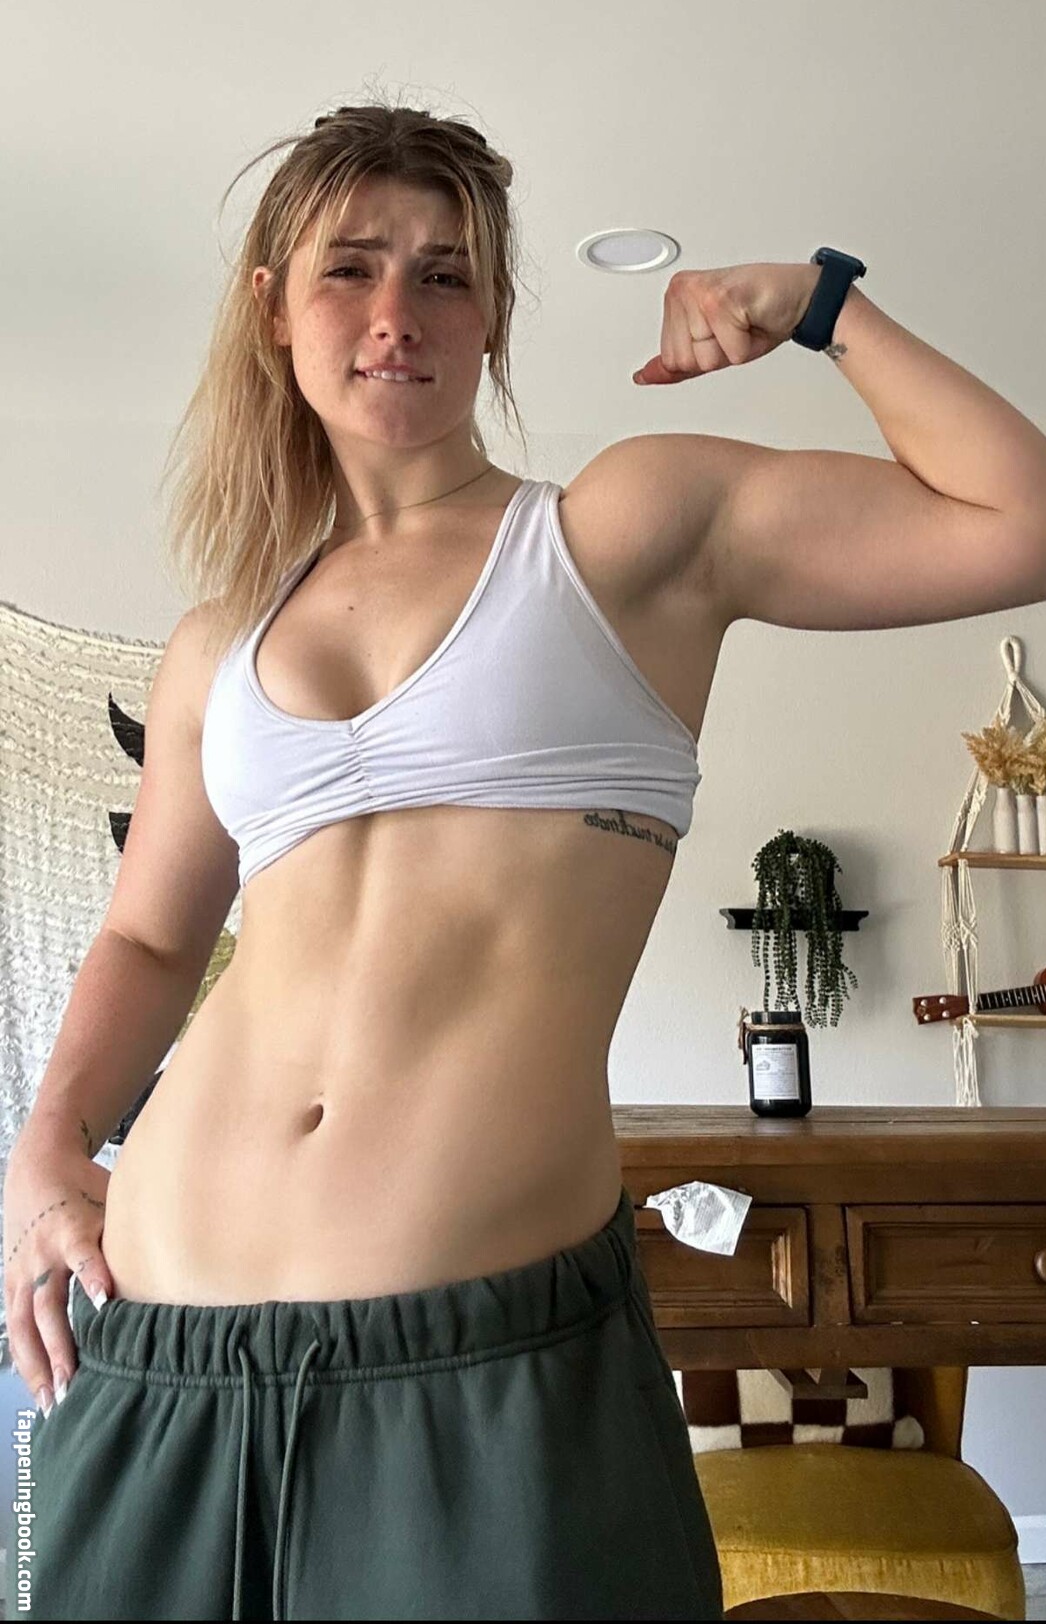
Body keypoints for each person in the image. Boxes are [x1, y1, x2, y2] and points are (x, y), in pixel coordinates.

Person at [3, 103, 725, 1619]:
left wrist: (826, 307)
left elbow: (1035, 525)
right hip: (166, 1354)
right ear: (273, 305)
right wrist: (46, 1142)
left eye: (446, 273)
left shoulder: (605, 545)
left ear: (493, 317)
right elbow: (150, 941)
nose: (398, 311)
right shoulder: (219, 638)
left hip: (478, 1364)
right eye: (351, 267)